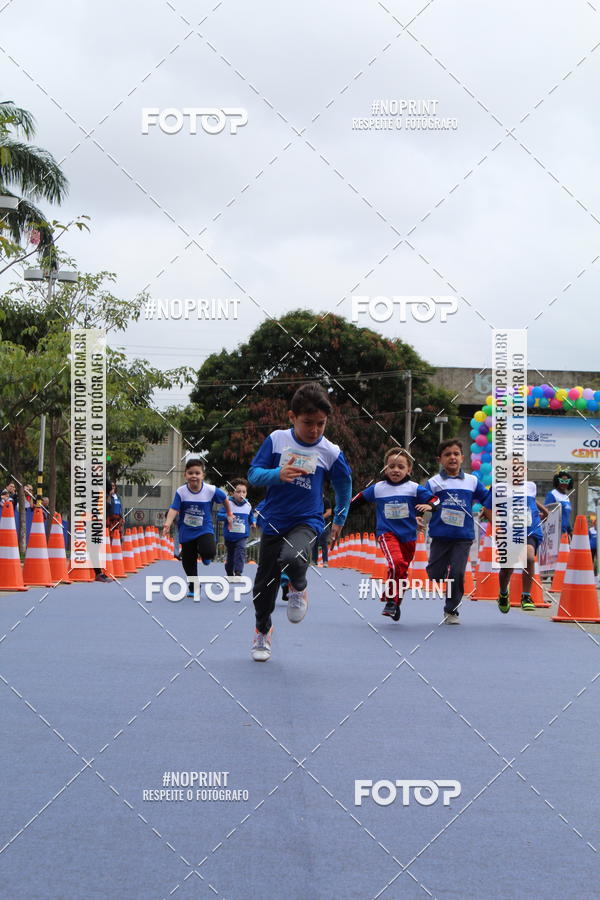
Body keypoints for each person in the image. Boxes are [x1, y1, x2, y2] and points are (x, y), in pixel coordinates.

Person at [247, 382, 352, 662]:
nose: (315, 430)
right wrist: (277, 474)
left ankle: (299, 587)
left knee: (294, 556)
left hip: (308, 520)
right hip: (274, 520)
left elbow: (344, 485)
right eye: (308, 423)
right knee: (263, 588)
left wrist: (340, 516)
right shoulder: (278, 440)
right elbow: (254, 475)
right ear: (292, 417)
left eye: (321, 424)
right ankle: (262, 631)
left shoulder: (330, 452)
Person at [351, 448, 438, 622]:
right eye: (391, 466)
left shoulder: (414, 488)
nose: (395, 470)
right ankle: (390, 599)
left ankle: (395, 603)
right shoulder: (378, 489)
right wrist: (341, 513)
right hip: (387, 534)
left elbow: (436, 499)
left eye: (400, 466)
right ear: (385, 468)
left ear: (409, 470)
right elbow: (356, 501)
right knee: (396, 562)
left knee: (401, 571)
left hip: (409, 538)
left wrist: (430, 506)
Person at [424, 438, 490, 624]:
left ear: (462, 458)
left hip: (463, 536)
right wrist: (418, 515)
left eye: (456, 454)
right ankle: (443, 574)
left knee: (458, 572)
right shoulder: (434, 483)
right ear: (440, 460)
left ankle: (451, 610)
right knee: (435, 574)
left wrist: (493, 514)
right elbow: (422, 501)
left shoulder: (472, 481)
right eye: (447, 455)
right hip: (440, 535)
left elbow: (486, 499)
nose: (452, 457)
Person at [162, 459, 233, 599]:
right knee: (188, 561)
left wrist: (230, 514)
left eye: (197, 473)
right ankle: (194, 586)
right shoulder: (181, 492)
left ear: (203, 475)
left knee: (209, 551)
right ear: (185, 475)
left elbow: (225, 498)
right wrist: (167, 523)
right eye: (190, 473)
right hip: (187, 531)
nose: (194, 476)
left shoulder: (210, 490)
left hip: (204, 528)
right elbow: (174, 508)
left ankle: (206, 555)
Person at [482, 480, 548, 611]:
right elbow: (487, 509)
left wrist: (543, 511)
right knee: (507, 568)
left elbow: (531, 500)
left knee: (529, 558)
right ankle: (503, 593)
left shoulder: (531, 485)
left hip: (530, 530)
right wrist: (498, 527)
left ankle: (526, 596)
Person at [218, 478, 254, 579]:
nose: (241, 494)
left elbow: (250, 516)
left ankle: (238, 571)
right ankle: (229, 570)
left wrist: (253, 522)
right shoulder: (228, 504)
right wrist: (227, 516)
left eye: (244, 492)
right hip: (230, 535)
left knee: (241, 549)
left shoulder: (248, 505)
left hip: (242, 535)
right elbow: (219, 516)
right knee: (230, 556)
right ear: (232, 493)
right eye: (238, 492)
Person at [545, 471, 573, 537]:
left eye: (567, 481)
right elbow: (546, 512)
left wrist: (570, 530)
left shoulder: (566, 497)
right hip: (555, 532)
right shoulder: (552, 494)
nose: (564, 483)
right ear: (557, 481)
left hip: (565, 533)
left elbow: (566, 516)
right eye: (562, 481)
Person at [311, 492, 333, 565]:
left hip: (324, 524)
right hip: (315, 524)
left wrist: (320, 517)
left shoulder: (326, 500)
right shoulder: (315, 501)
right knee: (314, 542)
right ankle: (314, 561)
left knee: (323, 542)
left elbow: (329, 512)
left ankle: (325, 561)